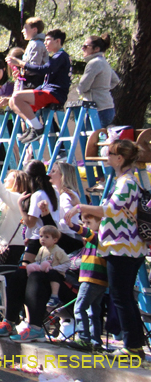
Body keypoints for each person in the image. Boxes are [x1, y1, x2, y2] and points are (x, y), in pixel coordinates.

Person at [64, 139, 149, 357]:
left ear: (120, 158)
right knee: (125, 297)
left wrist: (81, 207)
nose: (107, 157)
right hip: (125, 247)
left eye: (110, 154)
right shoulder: (126, 180)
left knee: (121, 297)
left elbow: (111, 210)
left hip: (122, 248)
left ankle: (132, 347)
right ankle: (135, 346)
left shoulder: (126, 182)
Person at [6, 29, 72, 143]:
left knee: (17, 97)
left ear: (57, 41)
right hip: (47, 90)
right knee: (12, 101)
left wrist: (21, 64)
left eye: (48, 40)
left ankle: (37, 128)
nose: (45, 43)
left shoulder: (61, 56)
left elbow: (43, 70)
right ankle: (34, 126)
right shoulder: (57, 56)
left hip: (55, 93)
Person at [66, 211, 107, 351]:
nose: (85, 226)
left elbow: (86, 233)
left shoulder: (97, 237)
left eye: (89, 223)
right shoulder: (95, 240)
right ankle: (95, 341)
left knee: (79, 307)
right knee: (93, 311)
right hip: (99, 280)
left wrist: (72, 226)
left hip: (91, 278)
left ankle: (84, 338)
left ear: (100, 223)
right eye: (84, 222)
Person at [18, 160, 61, 263]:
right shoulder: (54, 191)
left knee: (26, 268)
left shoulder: (37, 195)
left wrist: (20, 205)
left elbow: (31, 223)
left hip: (39, 237)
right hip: (52, 235)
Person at [76, 33, 120, 128]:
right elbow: (115, 80)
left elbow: (82, 87)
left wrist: (93, 91)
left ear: (96, 49)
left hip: (97, 108)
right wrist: (103, 89)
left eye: (85, 46)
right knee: (101, 140)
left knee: (92, 141)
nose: (83, 49)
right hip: (107, 107)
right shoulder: (103, 62)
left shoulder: (94, 63)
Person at [25, 226, 69, 308]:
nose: (42, 239)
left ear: (55, 240)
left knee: (52, 273)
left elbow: (67, 263)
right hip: (45, 272)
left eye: (46, 237)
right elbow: (38, 261)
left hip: (57, 274)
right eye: (41, 236)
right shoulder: (42, 249)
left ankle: (54, 296)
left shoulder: (58, 250)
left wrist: (55, 268)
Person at [21, 17, 49, 89]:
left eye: (25, 28)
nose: (22, 31)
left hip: (35, 82)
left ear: (34, 30)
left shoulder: (37, 44)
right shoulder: (33, 43)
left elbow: (35, 67)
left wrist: (21, 69)